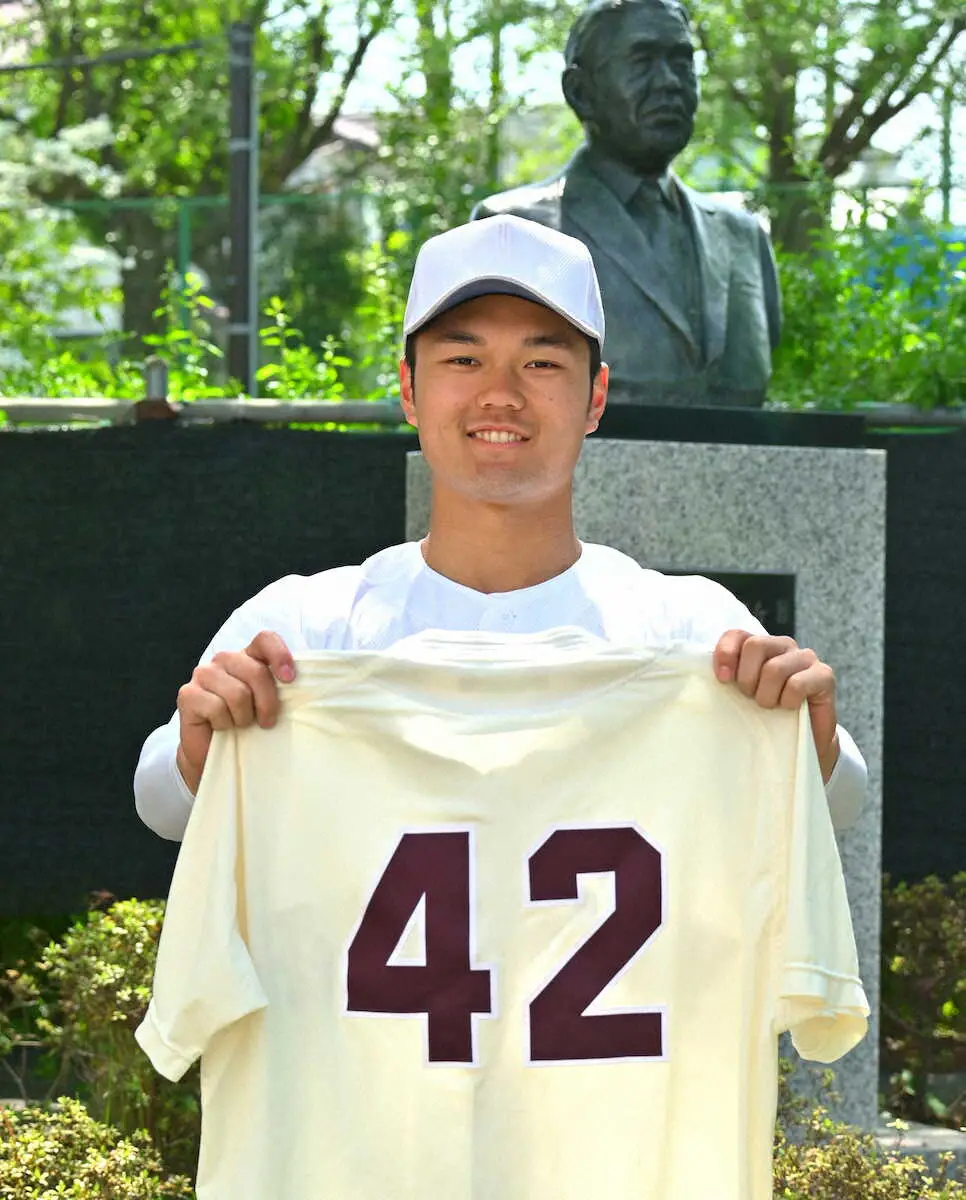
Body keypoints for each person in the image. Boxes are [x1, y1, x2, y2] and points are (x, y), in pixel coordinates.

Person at [134, 214, 865, 842]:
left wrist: (807, 735)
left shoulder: (689, 628)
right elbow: (163, 805)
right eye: (464, 358)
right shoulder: (307, 627)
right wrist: (205, 743)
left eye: (541, 362)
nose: (500, 395)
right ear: (410, 389)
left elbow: (835, 806)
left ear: (596, 396)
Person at [471, 0, 780, 407]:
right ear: (581, 92)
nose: (669, 82)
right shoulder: (514, 231)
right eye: (642, 61)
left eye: (682, 62)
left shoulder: (743, 238)